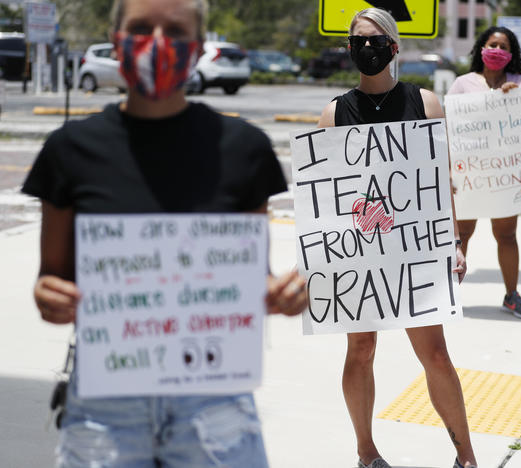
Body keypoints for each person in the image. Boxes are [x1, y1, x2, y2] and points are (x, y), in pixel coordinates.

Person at [22, 0, 308, 466]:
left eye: (175, 31)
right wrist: (49, 296)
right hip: (106, 404)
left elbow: (252, 278)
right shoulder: (70, 151)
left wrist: (280, 293)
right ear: (115, 40)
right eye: (140, 28)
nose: (157, 43)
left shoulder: (243, 150)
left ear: (197, 48)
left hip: (214, 402)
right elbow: (50, 279)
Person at [317, 8, 478, 468]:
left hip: (415, 249)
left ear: (394, 46)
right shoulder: (335, 113)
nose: (366, 48)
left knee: (435, 354)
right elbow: (327, 196)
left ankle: (466, 455)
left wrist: (455, 242)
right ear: (349, 48)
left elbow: (439, 180)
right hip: (361, 250)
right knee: (361, 349)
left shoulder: (424, 103)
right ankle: (366, 452)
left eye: (375, 40)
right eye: (358, 40)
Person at [446, 26, 521, 321]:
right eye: (492, 44)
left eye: (503, 46)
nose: (497, 50)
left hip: (504, 175)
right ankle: (447, 295)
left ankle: (512, 295)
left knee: (507, 235)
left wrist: (513, 99)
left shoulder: (520, 84)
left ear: (511, 55)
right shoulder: (462, 84)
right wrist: (447, 169)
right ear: (481, 49)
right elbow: (447, 129)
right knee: (463, 235)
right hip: (469, 174)